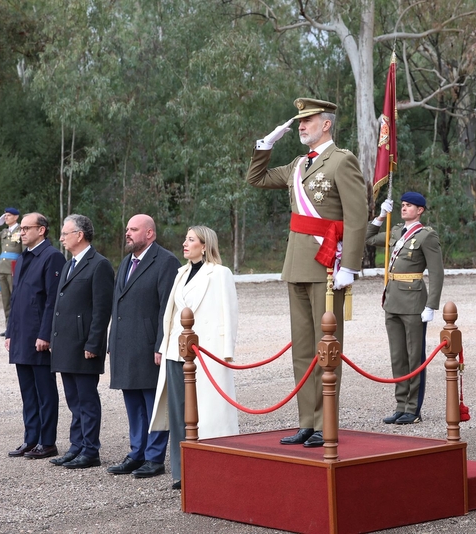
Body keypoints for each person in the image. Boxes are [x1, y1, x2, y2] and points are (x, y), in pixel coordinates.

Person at [246, 97, 368, 448]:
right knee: (302, 349)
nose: (301, 126)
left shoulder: (341, 161)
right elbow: (256, 178)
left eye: (308, 120)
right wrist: (266, 144)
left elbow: (357, 217)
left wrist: (351, 266)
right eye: (299, 121)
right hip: (296, 264)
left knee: (326, 348)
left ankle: (324, 422)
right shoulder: (298, 164)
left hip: (327, 265)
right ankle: (306, 422)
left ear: (326, 124)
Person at [151, 225, 239, 490]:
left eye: (191, 239)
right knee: (179, 413)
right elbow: (172, 313)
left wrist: (226, 354)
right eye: (185, 238)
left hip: (206, 353)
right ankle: (181, 471)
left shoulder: (220, 273)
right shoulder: (181, 272)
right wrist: (164, 346)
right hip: (176, 352)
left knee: (208, 413)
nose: (185, 243)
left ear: (204, 244)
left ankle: (213, 466)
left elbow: (229, 314)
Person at [107, 214, 180, 480]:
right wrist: (112, 342)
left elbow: (167, 309)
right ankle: (136, 452)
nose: (128, 233)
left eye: (134, 229)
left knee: (153, 405)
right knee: (133, 404)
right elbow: (118, 305)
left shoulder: (166, 261)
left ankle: (154, 457)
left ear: (149, 233)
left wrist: (161, 345)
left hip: (150, 347)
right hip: (126, 345)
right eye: (127, 228)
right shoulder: (127, 261)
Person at [365, 192, 444, 425]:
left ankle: (413, 408)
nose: (404, 208)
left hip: (413, 302)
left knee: (413, 356)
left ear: (420, 210)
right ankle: (401, 405)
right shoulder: (396, 231)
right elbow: (368, 239)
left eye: (410, 205)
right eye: (403, 205)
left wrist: (432, 305)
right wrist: (380, 216)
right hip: (392, 300)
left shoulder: (426, 236)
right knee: (398, 356)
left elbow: (437, 273)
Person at [48, 214, 114, 470]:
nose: (62, 238)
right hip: (66, 344)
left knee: (86, 400)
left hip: (84, 346)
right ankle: (76, 447)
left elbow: (101, 310)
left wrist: (93, 344)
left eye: (65, 233)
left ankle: (90, 450)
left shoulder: (99, 265)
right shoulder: (68, 264)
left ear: (80, 235)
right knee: (73, 400)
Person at [5, 213, 66, 460]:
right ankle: (31, 439)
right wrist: (10, 332)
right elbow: (17, 298)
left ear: (41, 230)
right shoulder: (22, 258)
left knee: (44, 392)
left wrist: (46, 334)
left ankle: (47, 441)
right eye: (21, 229)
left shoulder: (52, 257)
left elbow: (53, 300)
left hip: (39, 339)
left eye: (26, 228)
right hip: (21, 336)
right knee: (28, 393)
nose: (22, 232)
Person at [0, 207, 23, 335]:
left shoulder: (21, 231)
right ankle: (9, 328)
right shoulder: (4, 232)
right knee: (6, 299)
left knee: (16, 298)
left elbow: (24, 251)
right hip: (2, 268)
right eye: (5, 216)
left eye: (8, 215)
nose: (6, 217)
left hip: (14, 268)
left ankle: (19, 327)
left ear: (16, 217)